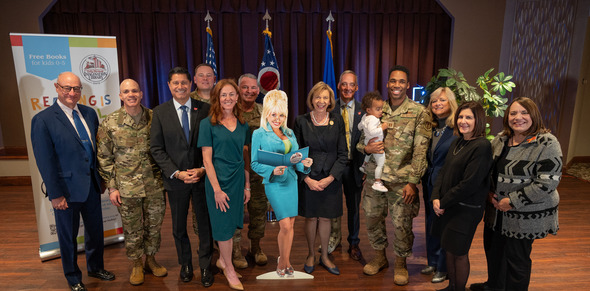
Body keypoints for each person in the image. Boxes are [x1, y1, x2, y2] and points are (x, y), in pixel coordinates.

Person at [31, 72, 115, 291]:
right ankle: (73, 277)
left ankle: (95, 267)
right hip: (65, 191)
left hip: (92, 186)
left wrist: (103, 179)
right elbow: (45, 161)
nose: (71, 93)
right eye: (67, 88)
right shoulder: (43, 120)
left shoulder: (89, 113)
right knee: (68, 237)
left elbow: (96, 151)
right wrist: (55, 194)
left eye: (76, 88)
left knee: (95, 231)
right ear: (57, 88)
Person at [471, 97, 561, 291]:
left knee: (516, 261)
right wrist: (488, 193)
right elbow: (486, 171)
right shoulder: (501, 139)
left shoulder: (546, 142)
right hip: (496, 212)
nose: (518, 117)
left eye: (524, 113)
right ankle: (493, 286)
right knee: (494, 253)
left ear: (534, 116)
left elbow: (547, 182)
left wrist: (512, 201)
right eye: (513, 113)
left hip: (525, 215)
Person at [358, 65, 432, 285]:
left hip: (402, 181)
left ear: (408, 85)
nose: (396, 85)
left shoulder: (419, 112)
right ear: (388, 83)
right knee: (372, 219)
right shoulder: (377, 108)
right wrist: (365, 150)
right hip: (374, 179)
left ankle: (401, 263)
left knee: (402, 224)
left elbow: (421, 150)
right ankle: (380, 258)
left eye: (401, 82)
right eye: (393, 81)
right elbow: (362, 141)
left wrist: (412, 182)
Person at [97, 79, 167, 286]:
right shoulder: (110, 122)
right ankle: (137, 263)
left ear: (141, 93)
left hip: (154, 184)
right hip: (126, 188)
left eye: (134, 90)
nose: (131, 94)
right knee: (132, 228)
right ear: (120, 96)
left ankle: (151, 260)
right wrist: (112, 187)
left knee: (154, 226)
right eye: (126, 91)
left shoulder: (156, 118)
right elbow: (104, 157)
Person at [150, 67, 214, 287]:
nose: (180, 87)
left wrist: (202, 169)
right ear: (169, 86)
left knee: (205, 225)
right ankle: (185, 264)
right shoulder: (159, 112)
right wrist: (176, 173)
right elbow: (156, 148)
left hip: (202, 177)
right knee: (178, 227)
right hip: (175, 180)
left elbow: (213, 145)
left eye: (184, 82)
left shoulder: (206, 109)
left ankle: (206, 265)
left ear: (191, 84)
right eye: (175, 83)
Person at [431, 101, 493, 291]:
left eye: (468, 117)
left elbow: (470, 184)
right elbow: (442, 171)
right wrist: (436, 196)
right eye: (460, 116)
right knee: (449, 250)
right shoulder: (458, 141)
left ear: (478, 120)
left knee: (459, 253)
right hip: (449, 205)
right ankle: (451, 287)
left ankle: (459, 289)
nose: (463, 121)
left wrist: (443, 201)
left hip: (466, 209)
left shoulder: (482, 146)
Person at [251, 89, 313, 277]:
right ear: (267, 114)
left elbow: (294, 160)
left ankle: (285, 260)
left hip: (291, 181)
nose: (277, 119)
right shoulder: (259, 134)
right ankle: (283, 262)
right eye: (274, 114)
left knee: (291, 224)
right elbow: (254, 162)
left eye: (281, 115)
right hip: (274, 183)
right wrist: (272, 170)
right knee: (284, 225)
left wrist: (305, 164)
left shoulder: (290, 132)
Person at [198, 79, 250, 290]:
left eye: (231, 94)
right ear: (217, 98)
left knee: (233, 227)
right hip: (218, 182)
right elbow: (206, 160)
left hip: (237, 181)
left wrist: (247, 185)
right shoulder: (207, 124)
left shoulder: (243, 123)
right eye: (223, 95)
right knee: (223, 229)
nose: (227, 98)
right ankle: (228, 268)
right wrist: (217, 190)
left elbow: (245, 156)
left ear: (237, 97)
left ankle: (223, 261)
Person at [294, 82, 348, 275]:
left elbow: (343, 154)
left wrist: (331, 178)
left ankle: (324, 256)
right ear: (312, 99)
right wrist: (306, 179)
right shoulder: (301, 121)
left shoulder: (337, 120)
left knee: (326, 219)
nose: (321, 101)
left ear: (330, 100)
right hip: (309, 178)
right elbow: (296, 154)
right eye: (318, 97)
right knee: (310, 218)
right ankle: (310, 254)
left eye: (325, 97)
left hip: (330, 179)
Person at [420, 87, 458, 284]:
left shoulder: (457, 129)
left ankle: (443, 267)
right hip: (429, 183)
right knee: (431, 223)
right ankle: (432, 261)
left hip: (446, 185)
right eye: (434, 101)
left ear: (450, 102)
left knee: (443, 225)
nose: (437, 104)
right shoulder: (431, 128)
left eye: (442, 100)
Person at [330, 71, 366, 260]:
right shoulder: (330, 108)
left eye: (351, 85)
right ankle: (334, 240)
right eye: (344, 84)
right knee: (334, 206)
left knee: (353, 207)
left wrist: (367, 167)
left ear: (356, 88)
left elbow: (371, 140)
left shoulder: (364, 110)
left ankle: (354, 243)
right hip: (336, 167)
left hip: (356, 167)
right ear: (338, 86)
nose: (347, 88)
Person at [236, 73, 269, 267]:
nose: (249, 91)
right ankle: (236, 250)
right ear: (238, 89)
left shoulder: (265, 112)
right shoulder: (230, 110)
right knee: (235, 212)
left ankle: (256, 247)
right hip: (235, 172)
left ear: (259, 90)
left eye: (253, 88)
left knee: (258, 210)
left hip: (258, 172)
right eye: (245, 87)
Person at [358, 91, 388, 192]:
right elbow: (372, 131)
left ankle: (364, 165)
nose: (381, 111)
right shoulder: (374, 119)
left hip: (368, 142)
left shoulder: (365, 116)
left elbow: (360, 126)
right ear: (369, 110)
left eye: (381, 108)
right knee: (381, 163)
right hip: (376, 145)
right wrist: (382, 127)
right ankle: (377, 181)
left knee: (368, 154)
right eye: (378, 109)